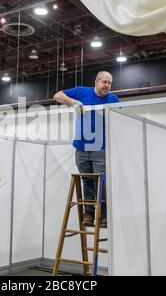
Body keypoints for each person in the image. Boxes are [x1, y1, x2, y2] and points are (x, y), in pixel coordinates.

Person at [54, 71, 120, 226]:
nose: (107, 86)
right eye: (104, 82)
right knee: (86, 179)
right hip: (81, 147)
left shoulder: (113, 99)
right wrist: (74, 102)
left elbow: (120, 120)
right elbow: (57, 96)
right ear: (96, 82)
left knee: (100, 180)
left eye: (109, 83)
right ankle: (89, 213)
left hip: (100, 147)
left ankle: (103, 214)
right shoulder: (81, 92)